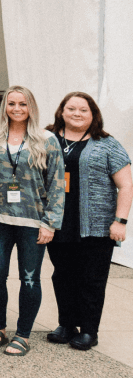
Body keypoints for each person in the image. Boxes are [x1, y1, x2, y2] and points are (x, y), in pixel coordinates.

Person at [0, 87, 63, 356]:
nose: (17, 109)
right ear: (4, 107)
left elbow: (57, 184)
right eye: (11, 104)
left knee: (30, 278)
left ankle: (23, 334)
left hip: (33, 221)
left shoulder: (47, 140)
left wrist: (51, 222)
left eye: (23, 104)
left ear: (31, 107)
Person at [44, 92, 130, 352]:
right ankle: (67, 324)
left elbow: (126, 186)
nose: (77, 114)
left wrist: (120, 221)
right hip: (58, 222)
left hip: (96, 225)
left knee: (92, 279)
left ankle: (89, 330)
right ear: (61, 111)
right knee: (63, 276)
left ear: (93, 115)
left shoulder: (107, 144)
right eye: (72, 109)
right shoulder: (47, 138)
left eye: (84, 110)